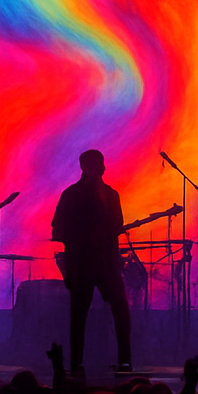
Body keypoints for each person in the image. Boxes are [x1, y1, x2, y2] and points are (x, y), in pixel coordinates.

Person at [51, 149, 133, 374]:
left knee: (116, 311)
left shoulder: (109, 194)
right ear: (86, 166)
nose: (104, 167)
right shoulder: (72, 195)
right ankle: (79, 362)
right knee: (80, 314)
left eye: (102, 163)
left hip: (104, 262)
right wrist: (86, 238)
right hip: (84, 263)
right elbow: (59, 228)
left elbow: (117, 225)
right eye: (99, 163)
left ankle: (120, 360)